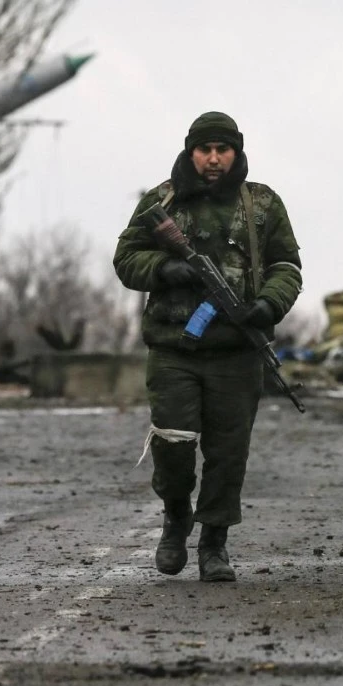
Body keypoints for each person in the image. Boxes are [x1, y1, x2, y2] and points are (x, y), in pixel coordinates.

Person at [113, 112, 302, 582]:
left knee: (228, 453)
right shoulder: (163, 200)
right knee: (173, 444)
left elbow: (287, 266)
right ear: (190, 151)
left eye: (223, 149)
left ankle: (214, 543)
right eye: (205, 150)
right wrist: (164, 269)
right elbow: (126, 258)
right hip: (174, 349)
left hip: (237, 353)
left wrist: (267, 305)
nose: (214, 159)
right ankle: (176, 515)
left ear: (236, 152)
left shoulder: (261, 204)